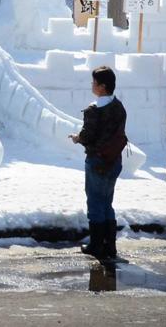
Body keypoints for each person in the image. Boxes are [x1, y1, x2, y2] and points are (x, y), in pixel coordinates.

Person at [68, 66, 127, 260]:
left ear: (102, 87)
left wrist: (77, 138)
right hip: (114, 160)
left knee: (94, 201)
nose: (92, 85)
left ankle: (96, 245)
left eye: (94, 82)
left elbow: (88, 135)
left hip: (97, 161)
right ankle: (110, 246)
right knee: (107, 202)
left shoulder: (94, 110)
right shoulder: (119, 107)